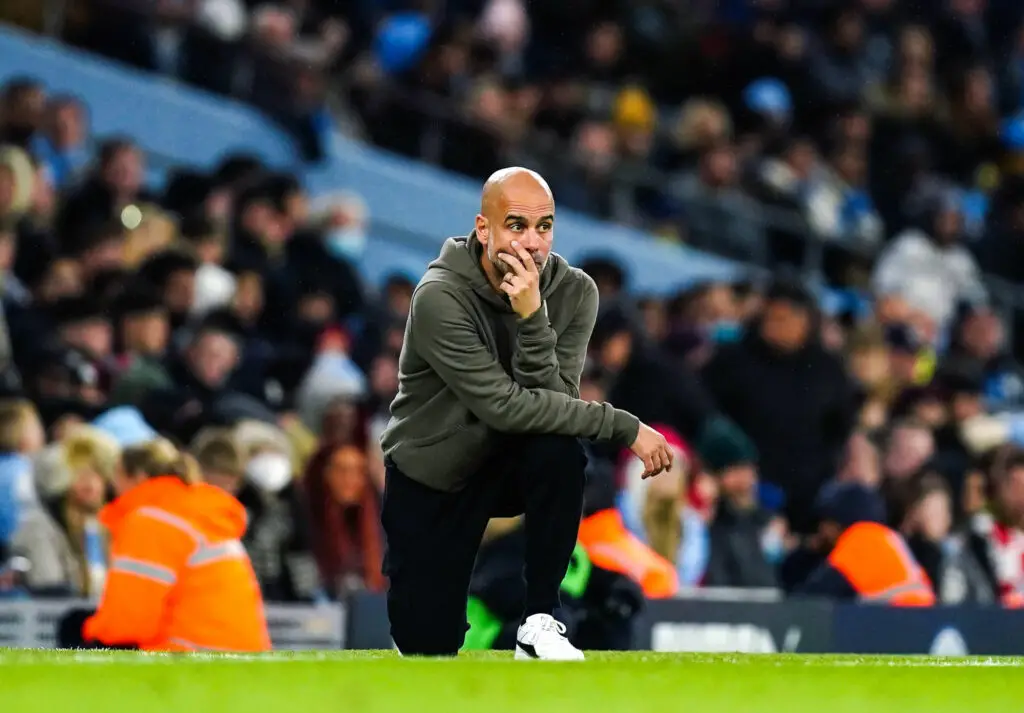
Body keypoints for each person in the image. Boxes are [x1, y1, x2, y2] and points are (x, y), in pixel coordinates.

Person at [379, 167, 672, 660]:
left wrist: (533, 316)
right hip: (434, 472)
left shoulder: (575, 291)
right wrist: (624, 427)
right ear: (483, 228)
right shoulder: (439, 296)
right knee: (427, 642)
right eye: (516, 225)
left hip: (508, 463)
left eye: (544, 226)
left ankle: (539, 620)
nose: (532, 242)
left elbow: (554, 404)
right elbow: (504, 406)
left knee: (559, 449)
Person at [58, 438, 270, 651]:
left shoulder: (151, 520)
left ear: (138, 477)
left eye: (118, 475)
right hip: (234, 655)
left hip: (192, 657)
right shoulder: (191, 511)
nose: (112, 486)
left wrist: (86, 631)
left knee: (74, 629)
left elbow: (130, 621)